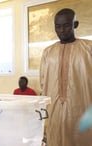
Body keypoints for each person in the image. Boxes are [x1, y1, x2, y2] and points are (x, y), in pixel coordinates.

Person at [40, 8, 92, 146]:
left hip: (83, 111)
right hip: (54, 112)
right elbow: (43, 84)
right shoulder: (47, 52)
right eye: (58, 26)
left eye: (67, 25)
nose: (62, 30)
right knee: (54, 140)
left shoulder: (89, 48)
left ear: (75, 24)